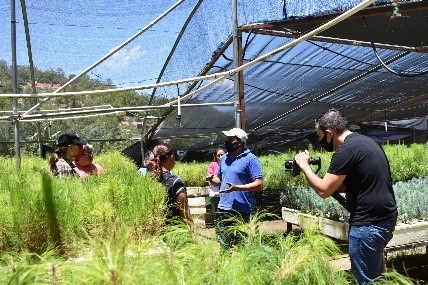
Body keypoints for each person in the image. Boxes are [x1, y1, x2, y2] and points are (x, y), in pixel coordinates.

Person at [294, 109, 397, 285]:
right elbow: (353, 183)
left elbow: (324, 191)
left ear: (329, 133)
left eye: (319, 136)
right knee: (376, 278)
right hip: (385, 219)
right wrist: (317, 178)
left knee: (366, 281)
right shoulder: (366, 142)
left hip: (367, 225)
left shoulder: (346, 150)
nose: (319, 141)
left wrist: (304, 166)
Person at [208, 127, 263, 249]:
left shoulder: (251, 159)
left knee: (243, 244)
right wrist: (211, 178)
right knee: (224, 243)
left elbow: (259, 184)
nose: (227, 142)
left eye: (230, 139)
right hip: (224, 207)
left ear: (240, 142)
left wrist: (237, 187)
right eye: (227, 139)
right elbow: (220, 178)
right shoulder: (224, 159)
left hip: (242, 209)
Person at [147, 143, 193, 225]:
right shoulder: (176, 183)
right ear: (172, 158)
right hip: (174, 233)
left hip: (155, 231)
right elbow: (185, 215)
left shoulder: (148, 180)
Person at [206, 148, 225, 222]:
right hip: (215, 192)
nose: (220, 157)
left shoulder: (228, 164)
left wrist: (214, 177)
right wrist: (217, 178)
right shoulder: (213, 165)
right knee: (216, 210)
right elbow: (208, 176)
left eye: (222, 155)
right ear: (215, 156)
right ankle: (217, 225)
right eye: (218, 155)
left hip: (225, 192)